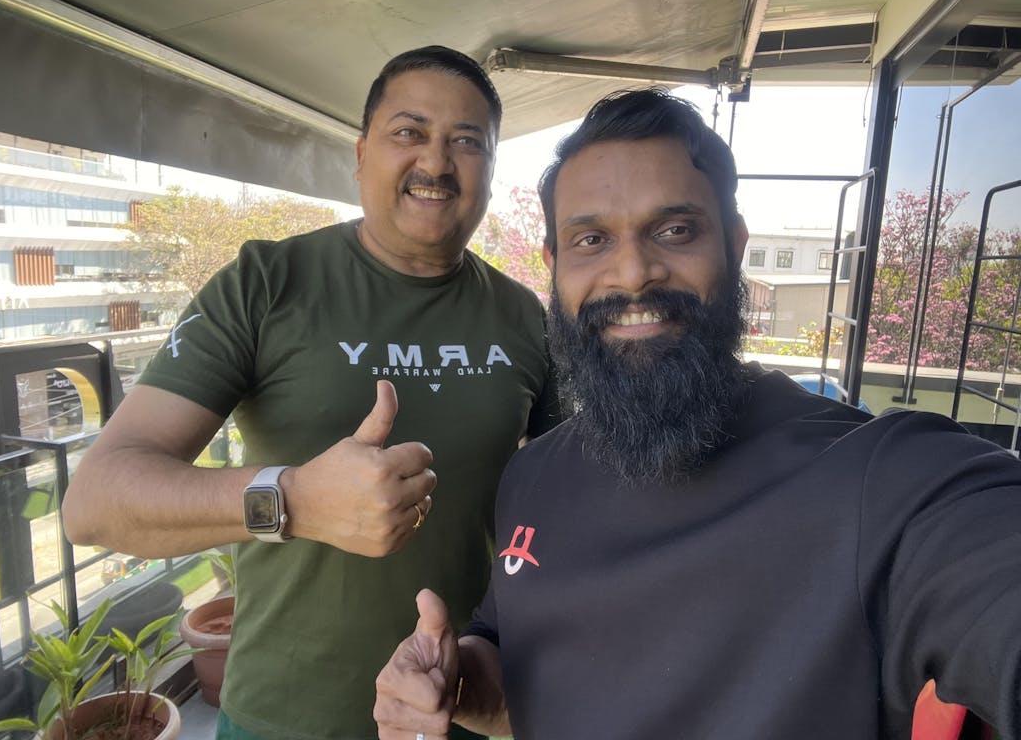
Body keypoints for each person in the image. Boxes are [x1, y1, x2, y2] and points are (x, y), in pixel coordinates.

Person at [373, 88, 1021, 739]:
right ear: (555, 266)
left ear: (734, 247)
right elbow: (517, 674)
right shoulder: (531, 475)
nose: (633, 274)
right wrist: (456, 681)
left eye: (675, 231)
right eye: (591, 239)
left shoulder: (883, 482)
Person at [64, 46, 560, 740]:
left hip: (463, 707)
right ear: (361, 155)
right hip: (283, 715)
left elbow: (567, 501)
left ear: (491, 168)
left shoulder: (526, 317)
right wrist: (292, 499)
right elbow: (94, 503)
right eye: (409, 131)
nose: (437, 161)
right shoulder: (264, 284)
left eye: (467, 141)